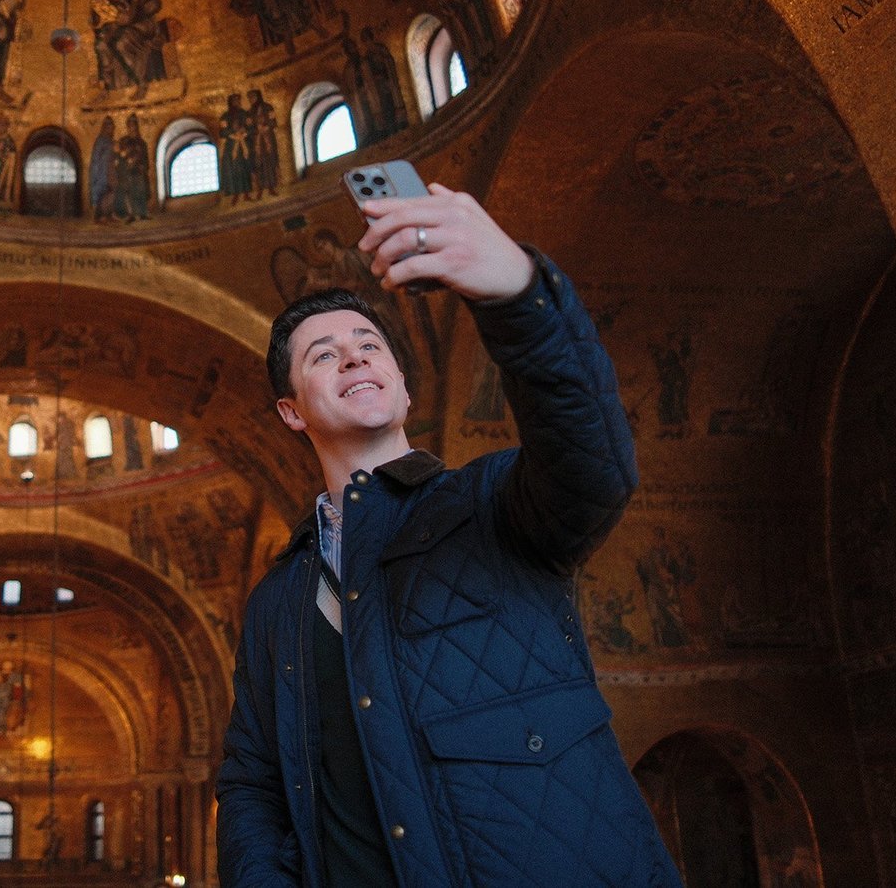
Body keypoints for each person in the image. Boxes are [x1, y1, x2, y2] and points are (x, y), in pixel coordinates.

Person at [216, 184, 681, 887]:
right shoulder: (278, 599)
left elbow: (594, 463)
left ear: (402, 388)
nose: (351, 357)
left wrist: (517, 297)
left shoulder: (490, 506)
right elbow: (252, 782)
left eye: (368, 345)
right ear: (290, 413)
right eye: (322, 355)